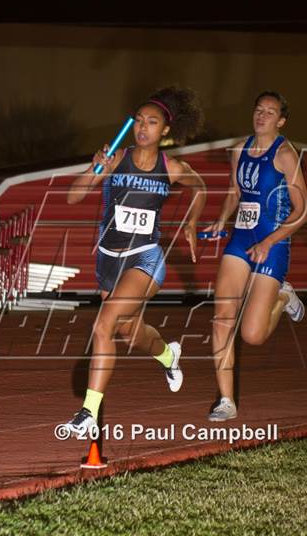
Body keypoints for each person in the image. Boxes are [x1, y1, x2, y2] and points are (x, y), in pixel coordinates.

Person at [65, 86, 206, 434]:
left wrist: (190, 221)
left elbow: (200, 186)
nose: (143, 127)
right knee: (131, 334)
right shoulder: (115, 158)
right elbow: (73, 196)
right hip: (108, 261)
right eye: (139, 121)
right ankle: (169, 356)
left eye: (152, 122)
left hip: (145, 258)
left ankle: (87, 413)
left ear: (165, 131)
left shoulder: (171, 168)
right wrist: (93, 168)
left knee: (104, 325)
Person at [204, 90, 307, 421]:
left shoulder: (285, 154)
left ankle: (282, 295)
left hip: (273, 244)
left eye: (271, 112)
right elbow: (236, 192)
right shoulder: (239, 150)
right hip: (240, 241)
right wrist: (222, 219)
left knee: (252, 334)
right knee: (222, 319)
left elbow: (303, 210)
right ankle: (226, 401)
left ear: (281, 120)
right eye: (259, 109)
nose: (262, 115)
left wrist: (270, 241)